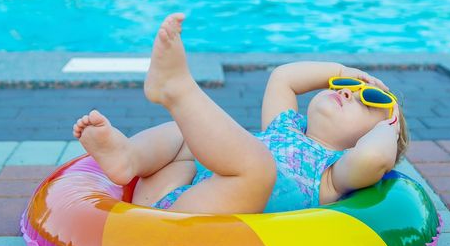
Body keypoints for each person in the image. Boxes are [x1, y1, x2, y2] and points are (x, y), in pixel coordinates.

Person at [72, 13, 408, 214]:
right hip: (173, 202)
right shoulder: (285, 127)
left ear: (363, 139)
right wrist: (341, 66)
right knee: (187, 135)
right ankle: (129, 158)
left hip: (206, 227)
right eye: (345, 84)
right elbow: (283, 78)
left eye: (370, 100)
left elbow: (374, 158)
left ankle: (178, 89)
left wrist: (390, 125)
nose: (348, 91)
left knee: (257, 167)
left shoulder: (336, 170)